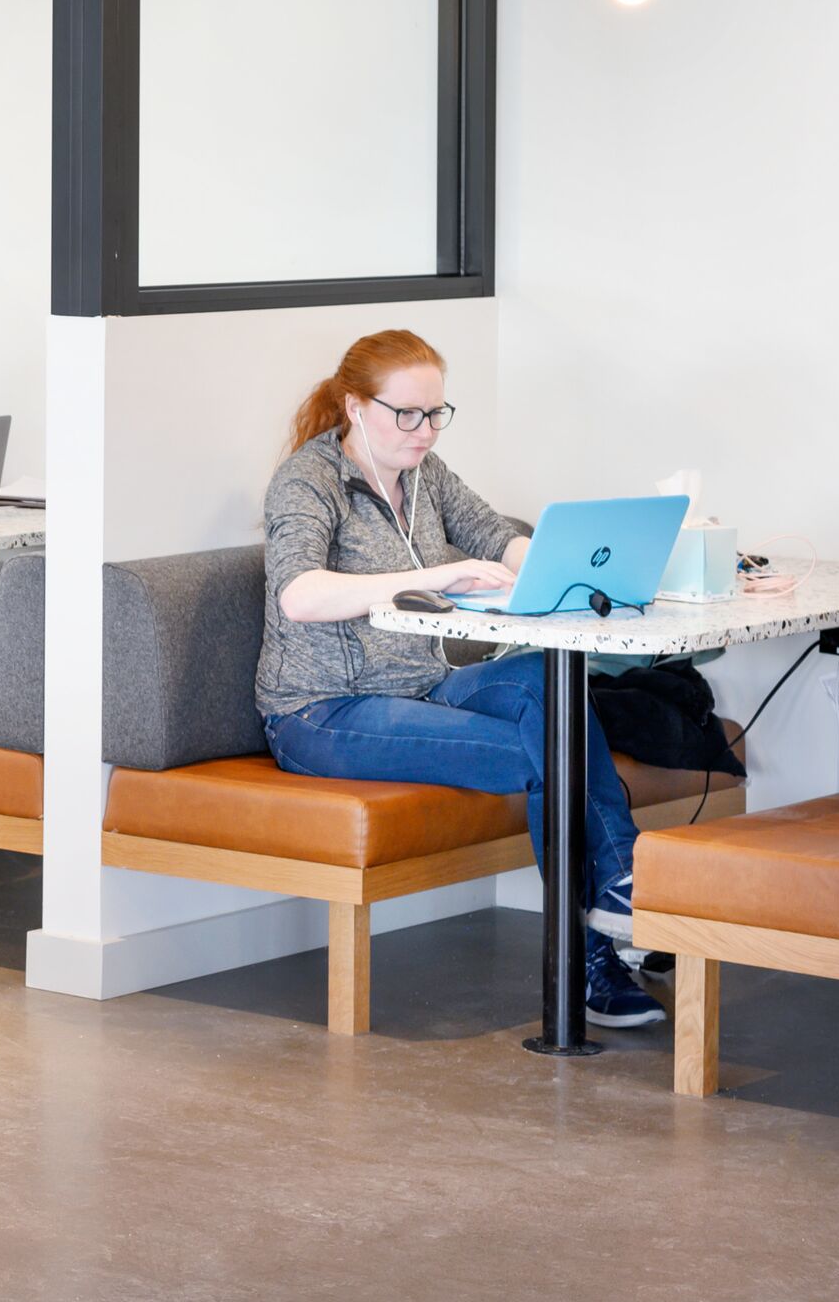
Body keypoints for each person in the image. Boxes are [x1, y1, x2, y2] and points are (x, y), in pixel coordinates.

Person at [257, 329, 663, 1028]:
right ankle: (590, 959)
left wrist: (574, 566)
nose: (424, 431)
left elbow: (496, 535)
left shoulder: (425, 474)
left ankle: (621, 885)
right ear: (355, 406)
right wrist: (436, 574)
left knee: (548, 683)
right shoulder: (309, 479)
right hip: (323, 712)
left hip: (421, 683)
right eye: (407, 414)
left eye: (437, 414)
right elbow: (300, 593)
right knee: (543, 749)